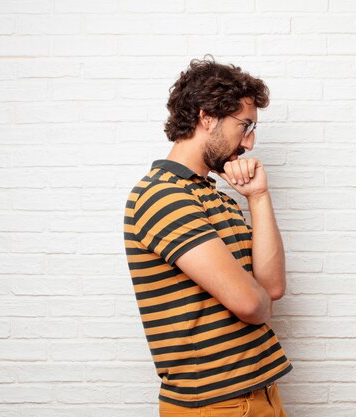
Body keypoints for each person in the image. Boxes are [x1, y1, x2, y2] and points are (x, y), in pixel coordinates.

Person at [123, 57, 292, 417]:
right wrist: (256, 301)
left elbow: (272, 288)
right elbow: (252, 305)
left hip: (260, 393)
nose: (249, 143)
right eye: (244, 125)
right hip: (217, 406)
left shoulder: (216, 197)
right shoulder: (164, 195)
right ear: (207, 116)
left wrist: (258, 197)